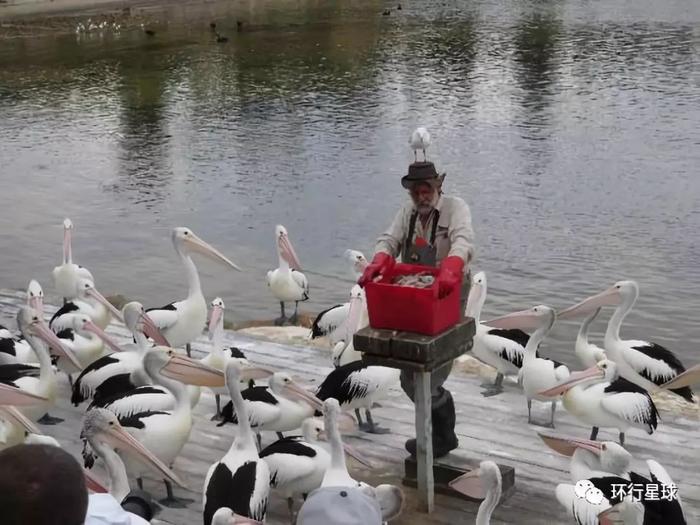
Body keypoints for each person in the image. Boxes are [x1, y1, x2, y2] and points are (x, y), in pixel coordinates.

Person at [358, 159, 475, 458]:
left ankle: (438, 438)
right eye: (416, 191)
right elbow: (389, 239)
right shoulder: (407, 212)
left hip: (449, 294)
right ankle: (438, 435)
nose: (421, 196)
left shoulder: (456, 207)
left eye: (426, 189)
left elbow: (464, 239)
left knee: (430, 374)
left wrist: (453, 264)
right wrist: (379, 260)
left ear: (438, 187)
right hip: (416, 294)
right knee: (409, 377)